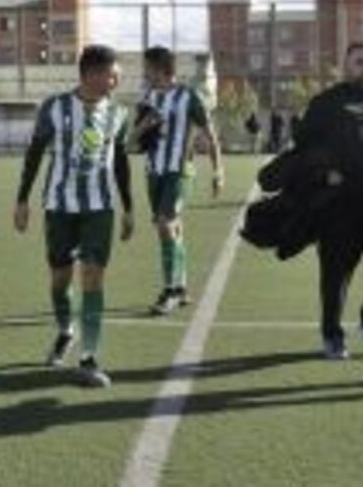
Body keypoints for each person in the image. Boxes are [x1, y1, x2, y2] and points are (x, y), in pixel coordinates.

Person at [14, 44, 134, 388]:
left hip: (100, 208)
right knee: (60, 279)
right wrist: (22, 200)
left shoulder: (119, 114)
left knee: (93, 277)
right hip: (59, 207)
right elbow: (35, 152)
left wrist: (129, 207)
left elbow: (122, 162)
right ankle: (66, 329)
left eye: (116, 76)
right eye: (112, 75)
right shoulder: (55, 107)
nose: (115, 82)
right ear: (92, 74)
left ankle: (89, 357)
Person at [294, 41, 363, 360]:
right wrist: (326, 173)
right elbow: (302, 146)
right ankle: (332, 335)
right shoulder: (327, 103)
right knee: (337, 276)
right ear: (346, 65)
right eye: (359, 62)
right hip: (340, 207)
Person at [132, 46, 223, 315]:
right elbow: (132, 139)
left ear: (160, 68)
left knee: (165, 224)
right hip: (153, 172)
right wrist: (143, 126)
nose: (144, 72)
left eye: (147, 67)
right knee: (173, 229)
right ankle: (181, 286)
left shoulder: (189, 96)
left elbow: (210, 134)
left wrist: (219, 171)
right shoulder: (147, 97)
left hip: (179, 171)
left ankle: (170, 290)